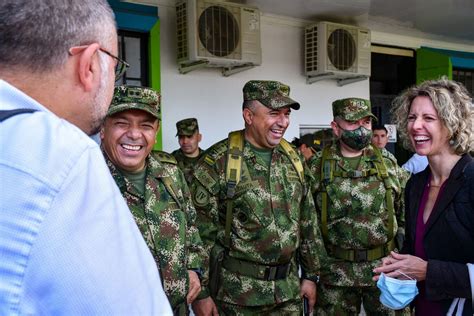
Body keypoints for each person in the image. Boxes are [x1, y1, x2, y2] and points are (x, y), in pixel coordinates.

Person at [0, 1, 171, 314]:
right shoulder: (62, 155)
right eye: (116, 66)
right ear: (90, 64)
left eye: (146, 125)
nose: (134, 134)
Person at [190, 80, 325, 315]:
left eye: (286, 114)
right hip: (237, 297)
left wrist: (312, 276)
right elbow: (199, 235)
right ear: (248, 116)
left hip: (288, 294)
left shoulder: (293, 159)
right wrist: (201, 294)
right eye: (274, 113)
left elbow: (307, 221)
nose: (283, 122)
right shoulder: (218, 163)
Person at [373, 78, 474, 315]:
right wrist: (399, 266)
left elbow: (427, 266)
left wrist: (428, 270)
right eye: (411, 117)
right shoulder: (416, 184)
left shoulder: (471, 181)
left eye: (428, 118)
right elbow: (416, 250)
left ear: (452, 124)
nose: (416, 125)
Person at [101, 85, 204, 315]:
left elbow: (192, 226)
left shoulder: (170, 173)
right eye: (122, 123)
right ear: (102, 128)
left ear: (155, 133)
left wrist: (193, 268)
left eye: (145, 125)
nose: (135, 134)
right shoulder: (86, 177)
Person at [308, 97, 409, 315]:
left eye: (366, 123)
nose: (361, 129)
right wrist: (312, 272)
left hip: (383, 270)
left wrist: (400, 251)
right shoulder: (317, 165)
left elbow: (404, 210)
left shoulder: (387, 162)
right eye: (353, 123)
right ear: (335, 128)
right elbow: (308, 221)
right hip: (335, 274)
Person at [171, 118, 204, 184]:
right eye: (181, 137)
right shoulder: (170, 161)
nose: (185, 141)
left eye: (189, 136)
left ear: (199, 137)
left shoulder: (209, 160)